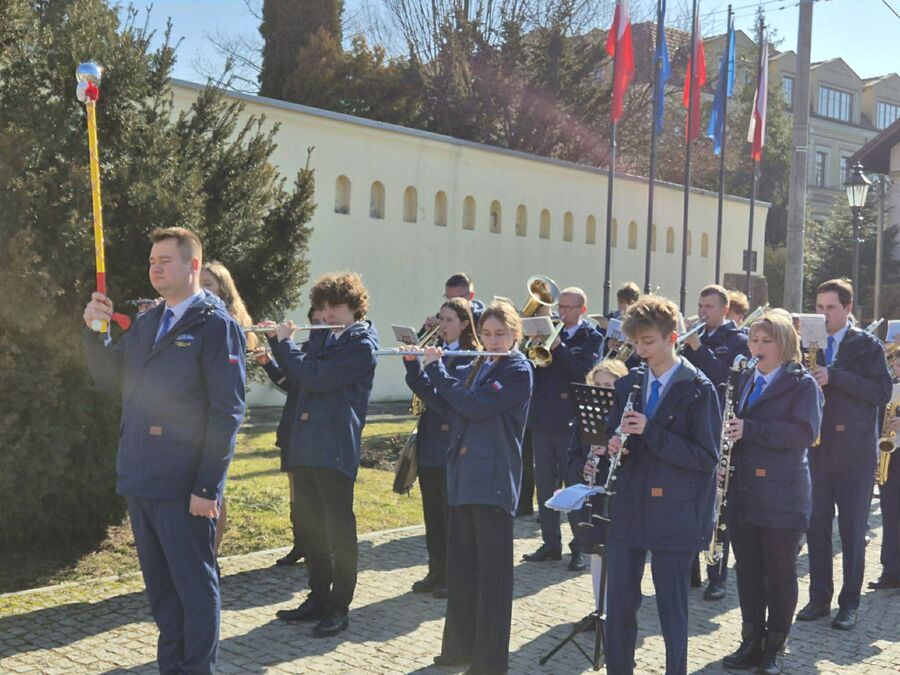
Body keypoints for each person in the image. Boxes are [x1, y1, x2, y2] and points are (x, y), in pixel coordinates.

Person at [82, 227, 246, 674]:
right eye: (152, 261)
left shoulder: (215, 326)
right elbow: (110, 379)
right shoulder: (151, 322)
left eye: (165, 260)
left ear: (193, 265)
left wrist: (208, 487)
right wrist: (96, 332)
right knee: (161, 592)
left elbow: (225, 413)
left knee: (194, 590)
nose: (155, 267)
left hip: (184, 484)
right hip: (142, 477)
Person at [410, 301, 532, 675]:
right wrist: (415, 369)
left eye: (501, 334)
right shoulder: (480, 363)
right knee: (462, 572)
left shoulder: (517, 369)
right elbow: (447, 404)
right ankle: (458, 649)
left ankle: (489, 663)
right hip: (463, 478)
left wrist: (439, 370)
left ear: (515, 334)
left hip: (492, 482)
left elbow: (474, 405)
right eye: (488, 334)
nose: (493, 341)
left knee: (492, 579)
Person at [603, 295, 720, 675]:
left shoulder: (699, 388)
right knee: (619, 605)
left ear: (673, 338)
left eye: (649, 342)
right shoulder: (630, 382)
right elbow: (611, 430)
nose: (641, 351)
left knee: (672, 610)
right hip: (629, 505)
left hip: (675, 513)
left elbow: (705, 458)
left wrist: (650, 432)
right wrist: (612, 441)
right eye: (636, 343)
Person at [272, 273, 379, 638]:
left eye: (335, 307)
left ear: (354, 308)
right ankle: (317, 597)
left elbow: (316, 377)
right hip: (305, 443)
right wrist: (277, 346)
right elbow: (297, 377)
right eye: (322, 308)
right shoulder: (319, 335)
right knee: (311, 527)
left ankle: (339, 606)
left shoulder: (362, 345)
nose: (327, 315)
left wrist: (286, 346)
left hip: (334, 446)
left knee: (338, 531)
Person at [720, 312, 823, 674]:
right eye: (754, 341)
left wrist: (751, 429)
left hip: (782, 494)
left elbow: (804, 434)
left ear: (784, 345)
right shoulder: (744, 378)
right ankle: (751, 640)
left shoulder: (802, 384)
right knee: (747, 571)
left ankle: (775, 646)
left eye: (766, 341)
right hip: (744, 490)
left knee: (779, 574)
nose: (758, 348)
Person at [798, 279, 893, 630]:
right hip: (818, 451)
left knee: (853, 532)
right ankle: (819, 598)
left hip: (854, 453)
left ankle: (849, 603)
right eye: (819, 308)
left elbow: (882, 392)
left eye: (831, 308)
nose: (823, 315)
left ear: (848, 309)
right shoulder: (809, 342)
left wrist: (833, 376)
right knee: (816, 528)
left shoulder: (866, 345)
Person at [403, 297, 480, 598]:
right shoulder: (442, 353)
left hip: (452, 444)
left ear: (464, 324)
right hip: (431, 442)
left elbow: (447, 402)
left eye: (449, 320)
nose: (443, 326)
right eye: (441, 319)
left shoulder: (468, 357)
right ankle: (436, 571)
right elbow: (427, 396)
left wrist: (427, 369)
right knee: (432, 514)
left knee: (452, 518)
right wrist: (412, 368)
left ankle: (454, 576)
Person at [523, 287, 603, 571]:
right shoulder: (549, 331)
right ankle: (550, 543)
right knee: (545, 485)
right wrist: (532, 346)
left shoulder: (591, 336)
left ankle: (580, 546)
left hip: (572, 422)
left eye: (569, 308)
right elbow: (531, 370)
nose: (562, 313)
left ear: (582, 309)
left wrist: (560, 350)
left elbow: (586, 373)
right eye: (560, 307)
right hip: (542, 418)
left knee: (575, 487)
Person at [681, 284, 750, 600]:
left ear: (725, 309)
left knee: (718, 504)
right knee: (690, 501)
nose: (702, 312)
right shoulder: (693, 338)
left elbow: (726, 378)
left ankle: (717, 575)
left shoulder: (738, 341)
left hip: (720, 427)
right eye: (700, 305)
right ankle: (690, 570)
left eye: (708, 306)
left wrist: (697, 349)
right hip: (691, 426)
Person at [255, 305, 328, 567]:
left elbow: (305, 377)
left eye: (325, 321)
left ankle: (319, 546)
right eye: (316, 321)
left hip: (315, 431)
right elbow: (289, 383)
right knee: (296, 491)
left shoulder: (327, 353)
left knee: (315, 492)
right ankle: (301, 544)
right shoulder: (303, 348)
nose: (321, 325)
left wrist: (278, 342)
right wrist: (268, 363)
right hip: (292, 426)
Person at [199, 261, 257, 562]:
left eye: (207, 284)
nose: (201, 288)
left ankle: (212, 550)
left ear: (223, 289)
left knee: (215, 487)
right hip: (202, 413)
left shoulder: (227, 322)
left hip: (220, 411)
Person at [567, 358, 628, 632]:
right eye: (598, 385)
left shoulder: (628, 418)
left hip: (620, 495)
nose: (603, 391)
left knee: (619, 555)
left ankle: (618, 611)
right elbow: (572, 458)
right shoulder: (586, 419)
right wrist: (584, 466)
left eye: (609, 385)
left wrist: (613, 450)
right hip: (594, 493)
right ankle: (599, 608)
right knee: (595, 553)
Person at [870, 343, 900, 590]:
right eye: (895, 363)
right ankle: (890, 570)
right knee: (891, 515)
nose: (896, 367)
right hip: (889, 455)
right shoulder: (888, 387)